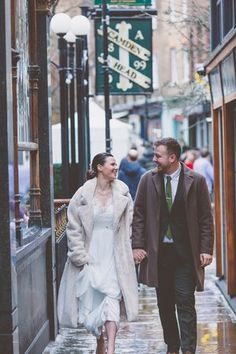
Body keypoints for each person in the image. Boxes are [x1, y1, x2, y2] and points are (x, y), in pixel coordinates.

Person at [132, 137, 214, 354]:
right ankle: (173, 345)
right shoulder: (147, 180)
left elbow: (206, 218)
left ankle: (188, 349)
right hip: (159, 254)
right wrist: (137, 245)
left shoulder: (195, 181)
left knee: (185, 300)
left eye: (158, 155)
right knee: (165, 304)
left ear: (172, 157)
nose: (154, 159)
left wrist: (206, 249)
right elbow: (138, 215)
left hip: (186, 253)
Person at [57, 152, 138, 354]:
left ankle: (110, 348)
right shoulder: (82, 194)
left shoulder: (123, 193)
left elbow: (131, 223)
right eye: (112, 164)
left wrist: (131, 248)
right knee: (93, 303)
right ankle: (100, 340)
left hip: (114, 253)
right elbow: (73, 227)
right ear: (99, 167)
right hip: (91, 253)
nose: (115, 168)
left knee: (112, 297)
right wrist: (79, 255)